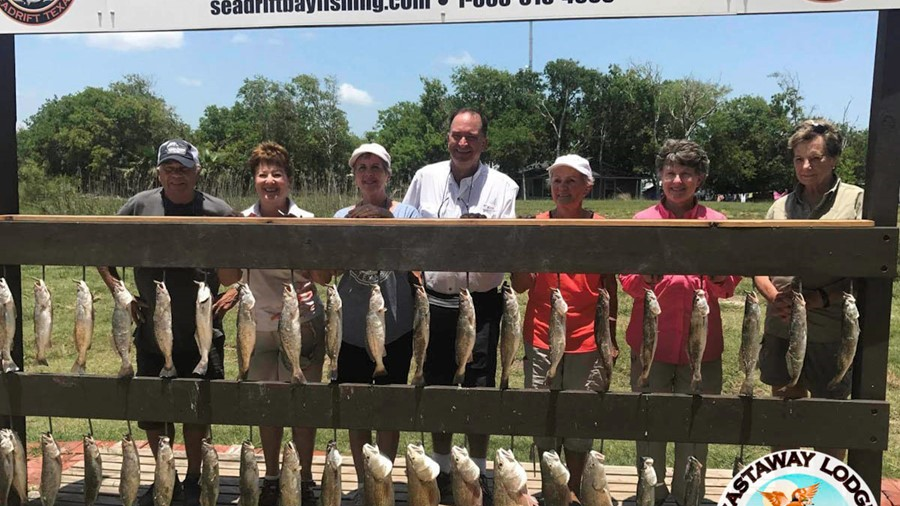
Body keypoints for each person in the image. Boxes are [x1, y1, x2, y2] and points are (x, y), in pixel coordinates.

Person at [97, 139, 233, 506]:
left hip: (202, 330)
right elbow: (98, 248)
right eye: (169, 168)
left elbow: (251, 256)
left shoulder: (219, 210)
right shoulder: (140, 205)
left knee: (197, 407)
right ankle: (164, 475)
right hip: (152, 328)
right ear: (159, 171)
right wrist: (120, 292)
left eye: (184, 168)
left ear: (197, 171)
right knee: (153, 409)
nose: (177, 175)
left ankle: (193, 478)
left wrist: (238, 290)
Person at [402, 108, 519, 505]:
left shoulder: (504, 187)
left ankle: (479, 469)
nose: (463, 143)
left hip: (482, 299)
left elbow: (507, 246)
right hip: (434, 297)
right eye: (456, 135)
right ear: (447, 138)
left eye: (471, 136)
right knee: (435, 381)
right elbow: (406, 228)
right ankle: (441, 465)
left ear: (484, 141)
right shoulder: (425, 177)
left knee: (479, 383)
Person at [619, 139, 739, 505]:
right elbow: (628, 282)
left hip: (703, 348)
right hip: (651, 345)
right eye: (670, 173)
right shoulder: (641, 222)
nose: (677, 180)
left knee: (696, 426)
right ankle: (650, 495)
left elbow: (729, 286)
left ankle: (690, 496)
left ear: (699, 178)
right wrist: (650, 279)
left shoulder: (718, 223)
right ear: (659, 176)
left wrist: (716, 276)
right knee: (649, 424)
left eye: (686, 173)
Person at [215, 141, 325, 506]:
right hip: (257, 325)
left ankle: (305, 477)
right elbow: (229, 276)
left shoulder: (307, 222)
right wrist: (229, 243)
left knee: (303, 405)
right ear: (254, 181)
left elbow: (322, 276)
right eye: (263, 174)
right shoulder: (241, 222)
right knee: (267, 404)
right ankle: (273, 476)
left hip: (303, 323)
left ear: (289, 180)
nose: (270, 180)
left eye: (277, 173)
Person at [311, 144, 419, 501]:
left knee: (389, 409)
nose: (369, 174)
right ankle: (362, 482)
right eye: (362, 168)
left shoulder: (409, 213)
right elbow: (326, 273)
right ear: (355, 176)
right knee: (355, 409)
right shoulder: (342, 215)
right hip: (351, 330)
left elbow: (421, 266)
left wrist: (385, 221)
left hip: (397, 328)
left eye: (376, 167)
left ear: (388, 174)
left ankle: (383, 479)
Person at [753, 119, 863, 461]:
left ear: (833, 159)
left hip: (833, 330)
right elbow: (756, 265)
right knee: (786, 416)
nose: (805, 166)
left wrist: (822, 298)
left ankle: (829, 490)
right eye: (799, 158)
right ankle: (786, 491)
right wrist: (772, 296)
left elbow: (870, 266)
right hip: (782, 328)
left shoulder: (856, 200)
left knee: (830, 420)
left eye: (814, 158)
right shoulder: (779, 206)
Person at [510, 154, 618, 495]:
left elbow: (609, 286)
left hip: (588, 337)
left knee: (579, 419)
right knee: (543, 419)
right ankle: (551, 491)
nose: (563, 188)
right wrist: (522, 259)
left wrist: (609, 337)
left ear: (588, 186)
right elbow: (521, 285)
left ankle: (573, 491)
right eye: (557, 181)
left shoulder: (601, 226)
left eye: (571, 181)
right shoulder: (536, 224)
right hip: (541, 334)